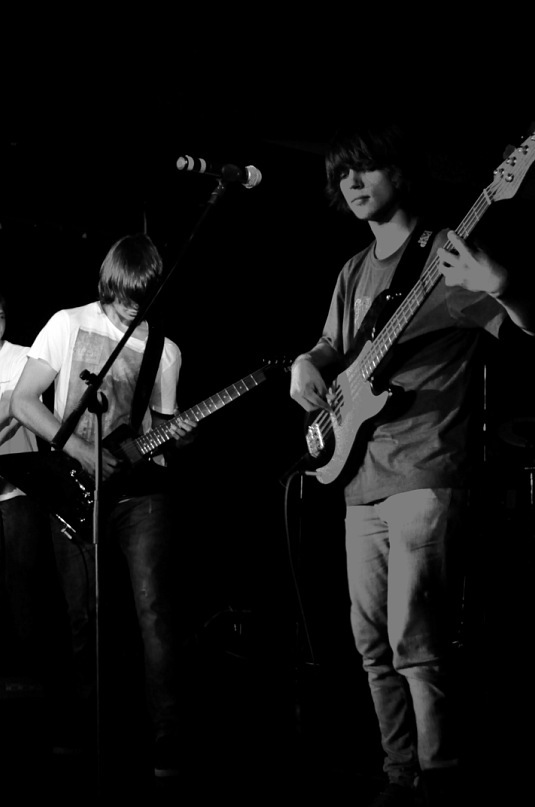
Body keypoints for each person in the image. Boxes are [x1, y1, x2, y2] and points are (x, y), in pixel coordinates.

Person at [289, 118, 535, 806]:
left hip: (426, 466)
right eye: (341, 174)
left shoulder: (447, 255)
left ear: (400, 172)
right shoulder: (352, 270)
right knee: (370, 641)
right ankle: (398, 776)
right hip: (357, 473)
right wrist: (306, 362)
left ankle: (440, 777)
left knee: (415, 638)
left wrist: (503, 284)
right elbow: (330, 346)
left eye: (364, 168)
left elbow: (532, 326)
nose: (351, 182)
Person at [10, 234, 197, 779]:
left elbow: (162, 427)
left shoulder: (165, 350)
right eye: (125, 296)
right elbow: (24, 402)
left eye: (144, 296)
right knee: (85, 617)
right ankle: (93, 733)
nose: (134, 307)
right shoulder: (68, 324)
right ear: (110, 284)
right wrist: (79, 450)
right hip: (74, 487)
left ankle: (168, 741)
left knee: (156, 613)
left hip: (141, 493)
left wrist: (183, 432)